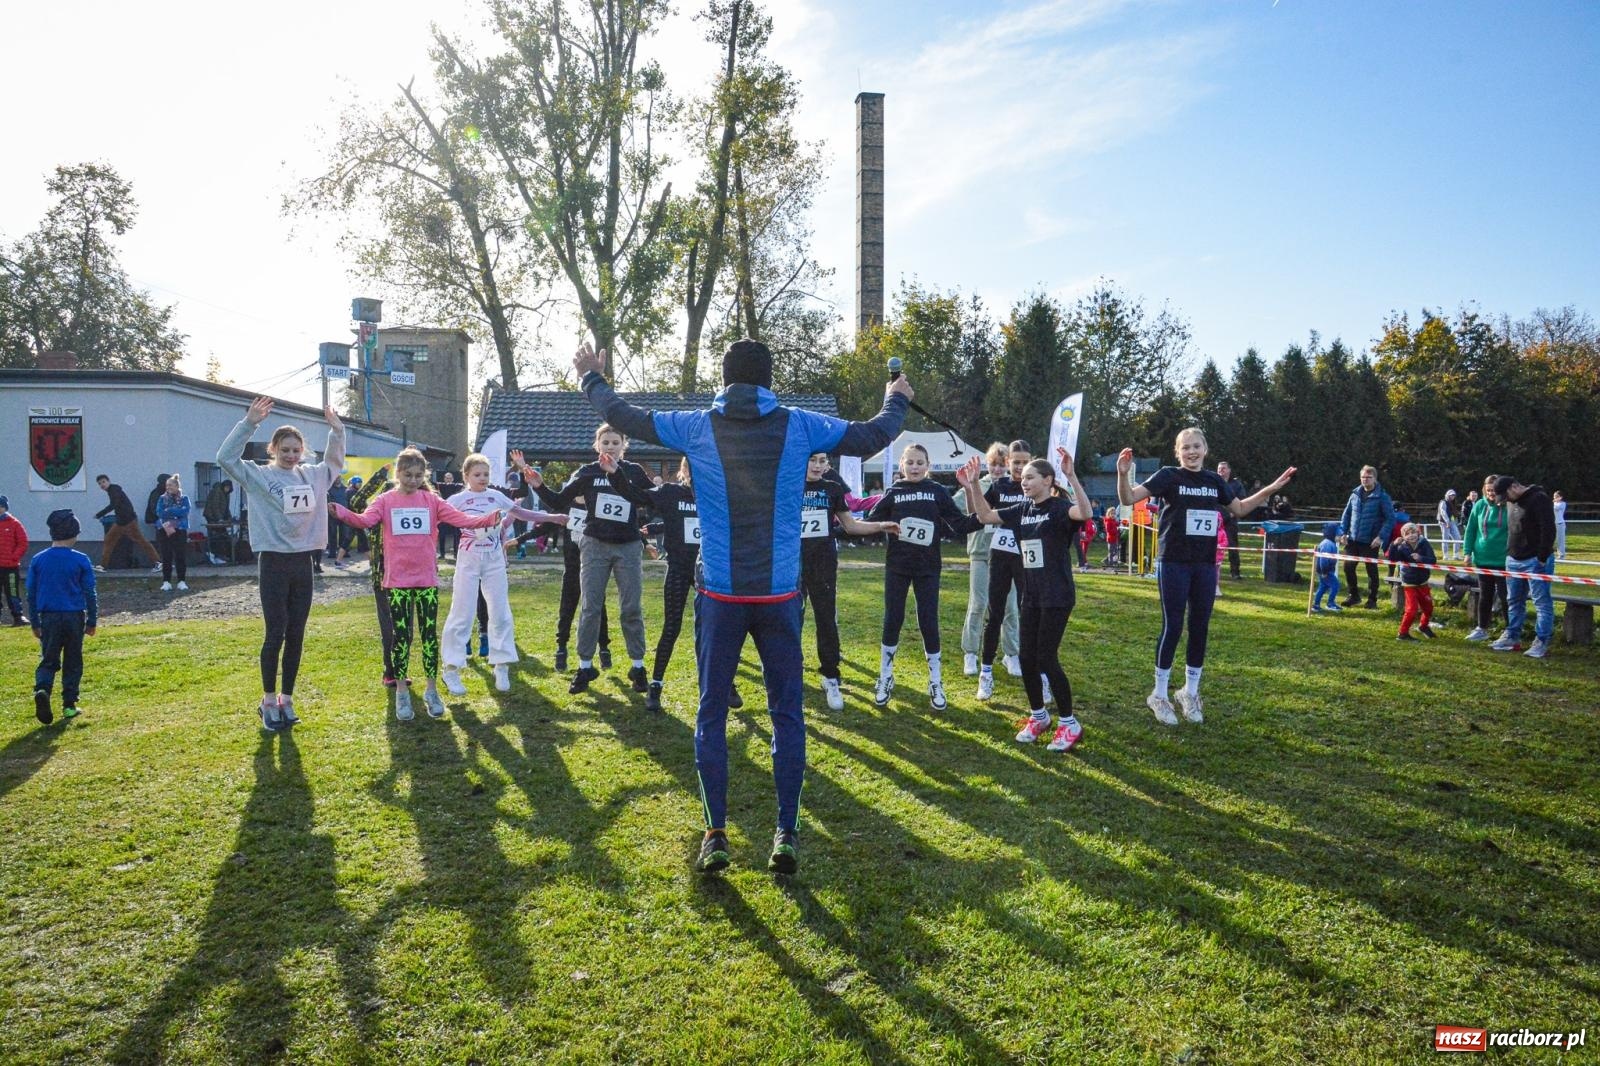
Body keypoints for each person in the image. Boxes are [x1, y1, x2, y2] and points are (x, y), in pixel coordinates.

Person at [576, 337, 908, 876]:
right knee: (786, 714)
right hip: (779, 596)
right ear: (769, 379)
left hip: (722, 595)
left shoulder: (696, 426)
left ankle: (716, 834)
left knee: (710, 712)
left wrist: (591, 376)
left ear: (724, 377)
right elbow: (875, 434)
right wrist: (896, 395)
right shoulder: (801, 424)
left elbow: (623, 417)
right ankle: (786, 832)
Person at [1116, 429, 1295, 726]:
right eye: (1185, 448)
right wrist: (1123, 474)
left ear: (1205, 448)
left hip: (1204, 564)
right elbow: (1129, 496)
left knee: (1199, 627)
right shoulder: (1168, 475)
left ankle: (1190, 692)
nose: (1191, 452)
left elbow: (1239, 508)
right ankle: (1159, 695)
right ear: (1178, 452)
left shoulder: (1214, 480)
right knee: (1172, 626)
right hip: (1173, 562)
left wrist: (1271, 488)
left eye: (1196, 446)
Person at [332, 448, 502, 719]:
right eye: (407, 475)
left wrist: (485, 520)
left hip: (426, 581)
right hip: (396, 582)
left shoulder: (431, 501)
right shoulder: (386, 500)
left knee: (428, 637)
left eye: (418, 475)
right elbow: (365, 520)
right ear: (398, 474)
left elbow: (462, 520)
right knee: (401, 638)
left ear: (425, 475)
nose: (412, 480)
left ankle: (432, 691)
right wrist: (341, 513)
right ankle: (401, 692)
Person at [217, 396, 346, 732]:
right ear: (273, 449)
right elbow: (225, 457)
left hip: (303, 563)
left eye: (295, 450)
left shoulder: (313, 476)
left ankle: (287, 699)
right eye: (284, 449)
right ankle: (267, 700)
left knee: (296, 632)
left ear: (302, 451)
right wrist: (249, 423)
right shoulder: (258, 475)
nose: (290, 455)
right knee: (275, 632)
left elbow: (334, 463)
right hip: (273, 562)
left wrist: (336, 431)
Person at [960, 447, 1091, 752]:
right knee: (1027, 658)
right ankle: (1038, 716)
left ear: (1048, 480)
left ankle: (1069, 723)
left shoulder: (1060, 508)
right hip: (1031, 596)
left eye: (1031, 477)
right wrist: (975, 484)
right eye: (1023, 478)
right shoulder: (1022, 510)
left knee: (1046, 658)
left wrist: (1071, 476)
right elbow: (985, 515)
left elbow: (1084, 513)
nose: (1024, 481)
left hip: (1057, 596)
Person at [525, 427, 655, 696]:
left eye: (615, 442)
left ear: (623, 446)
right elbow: (559, 502)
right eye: (605, 442)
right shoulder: (587, 473)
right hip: (595, 544)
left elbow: (653, 499)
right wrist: (539, 486)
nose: (610, 446)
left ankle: (638, 666)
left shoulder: (633, 472)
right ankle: (585, 666)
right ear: (597, 445)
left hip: (628, 546)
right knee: (590, 606)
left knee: (630, 607)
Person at [866, 443, 982, 712]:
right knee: (892, 619)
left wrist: (970, 489)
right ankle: (885, 676)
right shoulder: (894, 492)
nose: (915, 467)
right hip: (897, 567)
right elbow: (871, 522)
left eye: (920, 463)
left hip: (928, 568)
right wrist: (883, 525)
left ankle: (935, 681)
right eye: (910, 463)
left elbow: (964, 524)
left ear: (927, 466)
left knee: (928, 621)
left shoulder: (936, 491)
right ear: (901, 466)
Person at [435, 453, 558, 696]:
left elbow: (524, 514)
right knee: (462, 612)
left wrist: (553, 517)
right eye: (477, 475)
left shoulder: (496, 496)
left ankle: (501, 663)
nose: (482, 479)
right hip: (468, 560)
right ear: (467, 476)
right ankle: (451, 667)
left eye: (486, 475)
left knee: (500, 612)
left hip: (493, 560)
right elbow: (437, 520)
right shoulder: (458, 499)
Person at [800, 451, 898, 710]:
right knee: (788, 618)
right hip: (791, 564)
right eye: (813, 460)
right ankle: (786, 672)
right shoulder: (787, 483)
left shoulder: (832, 488)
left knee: (825, 617)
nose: (818, 466)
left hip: (823, 562)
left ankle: (830, 676)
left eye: (823, 461)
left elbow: (851, 525)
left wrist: (880, 526)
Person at [975, 441, 1032, 700]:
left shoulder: (1035, 486)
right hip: (1000, 557)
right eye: (1015, 461)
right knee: (994, 613)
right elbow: (981, 513)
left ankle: (1036, 672)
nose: (1019, 467)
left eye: (1024, 461)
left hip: (1028, 559)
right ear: (1007, 462)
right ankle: (985, 673)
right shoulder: (999, 487)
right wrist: (972, 485)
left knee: (1028, 614)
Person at [28, 509, 97, 724]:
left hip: (48, 616)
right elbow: (89, 592)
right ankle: (69, 705)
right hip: (74, 616)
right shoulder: (81, 560)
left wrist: (34, 621)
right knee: (73, 660)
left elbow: (31, 593)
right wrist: (92, 620)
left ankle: (43, 689)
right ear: (75, 533)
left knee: (48, 659)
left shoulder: (38, 560)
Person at [958, 443, 1019, 679]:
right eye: (993, 464)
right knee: (978, 603)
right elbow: (972, 513)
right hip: (981, 552)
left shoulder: (1016, 487)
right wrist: (967, 488)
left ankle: (1011, 654)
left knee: (1011, 605)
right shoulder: (978, 483)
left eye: (1002, 464)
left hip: (1009, 553)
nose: (997, 469)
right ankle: (971, 652)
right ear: (987, 464)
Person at [1490, 475, 1557, 658]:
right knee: (1513, 600)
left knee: (1541, 602)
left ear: (1514, 487)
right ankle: (1512, 636)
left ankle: (1541, 640)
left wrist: (1542, 556)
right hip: (1513, 559)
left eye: (1506, 496)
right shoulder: (1511, 501)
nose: (1507, 501)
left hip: (1535, 560)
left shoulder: (1539, 499)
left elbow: (1548, 529)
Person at [1336, 465, 1395, 609]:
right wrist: (1342, 532)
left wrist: (1381, 537)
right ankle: (1353, 595)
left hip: (1371, 541)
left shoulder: (1383, 497)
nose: (1365, 480)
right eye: (1363, 477)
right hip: (1353, 539)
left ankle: (1372, 599)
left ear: (1374, 478)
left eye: (1368, 477)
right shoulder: (1354, 495)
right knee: (1348, 567)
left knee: (1371, 571)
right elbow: (1347, 515)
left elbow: (1390, 519)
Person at [1462, 475, 1507, 642]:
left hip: (1503, 560)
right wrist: (1467, 552)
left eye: (1494, 491)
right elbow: (1471, 530)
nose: (1491, 494)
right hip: (1483, 559)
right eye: (1488, 491)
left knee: (1505, 596)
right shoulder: (1479, 505)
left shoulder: (1509, 507)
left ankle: (1510, 630)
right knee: (1485, 595)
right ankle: (1482, 628)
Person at [93, 474, 160, 572]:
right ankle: (103, 566)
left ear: (108, 481)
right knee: (109, 540)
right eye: (99, 483)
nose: (102, 484)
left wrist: (99, 514)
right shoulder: (112, 491)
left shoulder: (114, 490)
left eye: (103, 482)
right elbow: (117, 505)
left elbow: (113, 505)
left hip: (128, 521)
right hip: (121, 521)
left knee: (142, 541)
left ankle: (158, 562)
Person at [1387, 523, 1438, 640]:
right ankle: (1402, 633)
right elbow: (1392, 559)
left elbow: (1433, 560)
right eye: (1407, 534)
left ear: (1418, 532)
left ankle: (1423, 626)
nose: (1411, 536)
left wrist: (1421, 558)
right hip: (1409, 582)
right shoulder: (1402, 546)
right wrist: (1393, 545)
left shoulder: (1424, 543)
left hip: (1423, 581)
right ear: (1403, 536)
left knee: (1428, 608)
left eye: (1413, 532)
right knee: (1411, 610)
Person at [154, 474, 192, 591]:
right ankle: (166, 581)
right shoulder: (162, 498)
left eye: (170, 485)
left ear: (177, 486)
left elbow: (185, 512)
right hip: (164, 529)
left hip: (180, 529)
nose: (168, 487)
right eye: (167, 485)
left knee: (180, 555)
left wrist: (169, 510)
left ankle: (181, 581)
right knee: (166, 555)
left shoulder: (184, 498)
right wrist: (175, 512)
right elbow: (160, 512)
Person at [0, 495, 29, 625]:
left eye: (1, 506)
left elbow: (23, 543)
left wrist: (14, 557)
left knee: (12, 592)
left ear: (5, 508)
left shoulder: (14, 523)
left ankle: (18, 616)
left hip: (10, 567)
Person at [1215, 460, 1245, 579]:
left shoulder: (1236, 485)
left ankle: (1235, 572)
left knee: (1233, 546)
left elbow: (1242, 500)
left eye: (1223, 469)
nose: (1220, 471)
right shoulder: (1214, 483)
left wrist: (1233, 514)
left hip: (1230, 520)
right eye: (1219, 469)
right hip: (1215, 521)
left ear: (1229, 471)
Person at [1310, 522, 1343, 614]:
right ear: (1332, 534)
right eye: (1338, 535)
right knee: (1335, 585)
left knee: (1323, 587)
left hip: (1326, 571)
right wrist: (1324, 572)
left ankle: (1316, 605)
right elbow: (1323, 560)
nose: (1340, 537)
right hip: (1326, 571)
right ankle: (1330, 603)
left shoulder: (1330, 543)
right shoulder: (1327, 544)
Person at [202, 479, 234, 565]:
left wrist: (230, 518)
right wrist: (220, 519)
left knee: (223, 535)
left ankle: (224, 556)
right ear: (223, 486)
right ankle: (218, 555)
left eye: (229, 488)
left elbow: (226, 508)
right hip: (211, 516)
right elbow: (215, 506)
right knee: (218, 535)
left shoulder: (227, 494)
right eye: (226, 487)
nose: (227, 489)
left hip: (218, 517)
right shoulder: (217, 491)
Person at [436, 470, 464, 560]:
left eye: (450, 478)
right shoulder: (440, 486)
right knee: (442, 534)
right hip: (443, 514)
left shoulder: (456, 487)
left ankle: (456, 554)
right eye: (447, 478)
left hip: (453, 513)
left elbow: (463, 486)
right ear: (444, 479)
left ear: (452, 479)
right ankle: (442, 554)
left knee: (457, 534)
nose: (448, 480)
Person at [1436, 489, 1462, 561]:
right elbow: (1443, 512)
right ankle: (1446, 555)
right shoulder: (1443, 502)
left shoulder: (1453, 502)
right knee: (1445, 539)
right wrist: (1447, 522)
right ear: (1447, 495)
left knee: (1458, 538)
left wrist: (1455, 521)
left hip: (1452, 522)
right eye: (1451, 495)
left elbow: (1453, 513)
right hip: (1444, 522)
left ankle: (1456, 555)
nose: (1452, 496)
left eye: (1453, 495)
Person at [1553, 490, 1567, 559]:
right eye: (1554, 496)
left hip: (1560, 524)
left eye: (1556, 496)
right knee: (1552, 539)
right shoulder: (1554, 504)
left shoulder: (1562, 504)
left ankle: (1562, 555)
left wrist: (1552, 503)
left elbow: (1556, 508)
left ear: (1560, 497)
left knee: (1560, 540)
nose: (1555, 498)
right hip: (1553, 524)